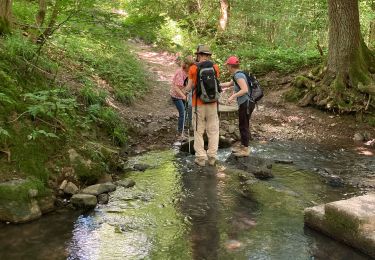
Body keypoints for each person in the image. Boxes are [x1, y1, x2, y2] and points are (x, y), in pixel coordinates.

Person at [185, 45, 220, 166]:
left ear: (198, 55)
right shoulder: (215, 67)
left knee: (198, 130)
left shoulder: (193, 68)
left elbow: (190, 87)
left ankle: (200, 158)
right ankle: (212, 157)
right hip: (213, 103)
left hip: (198, 104)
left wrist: (185, 91)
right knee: (213, 130)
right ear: (208, 55)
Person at [220, 56, 255, 157]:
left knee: (243, 125)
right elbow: (228, 84)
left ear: (231, 66)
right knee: (243, 124)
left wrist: (232, 96)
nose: (227, 68)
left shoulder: (238, 75)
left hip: (246, 103)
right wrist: (216, 84)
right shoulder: (238, 74)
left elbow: (244, 89)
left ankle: (245, 150)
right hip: (247, 102)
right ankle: (244, 146)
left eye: (228, 66)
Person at [170, 56, 194, 140]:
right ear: (186, 65)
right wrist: (184, 96)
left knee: (189, 109)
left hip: (184, 95)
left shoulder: (189, 72)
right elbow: (176, 87)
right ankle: (180, 133)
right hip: (176, 96)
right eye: (190, 66)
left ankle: (186, 129)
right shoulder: (180, 72)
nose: (192, 68)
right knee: (182, 112)